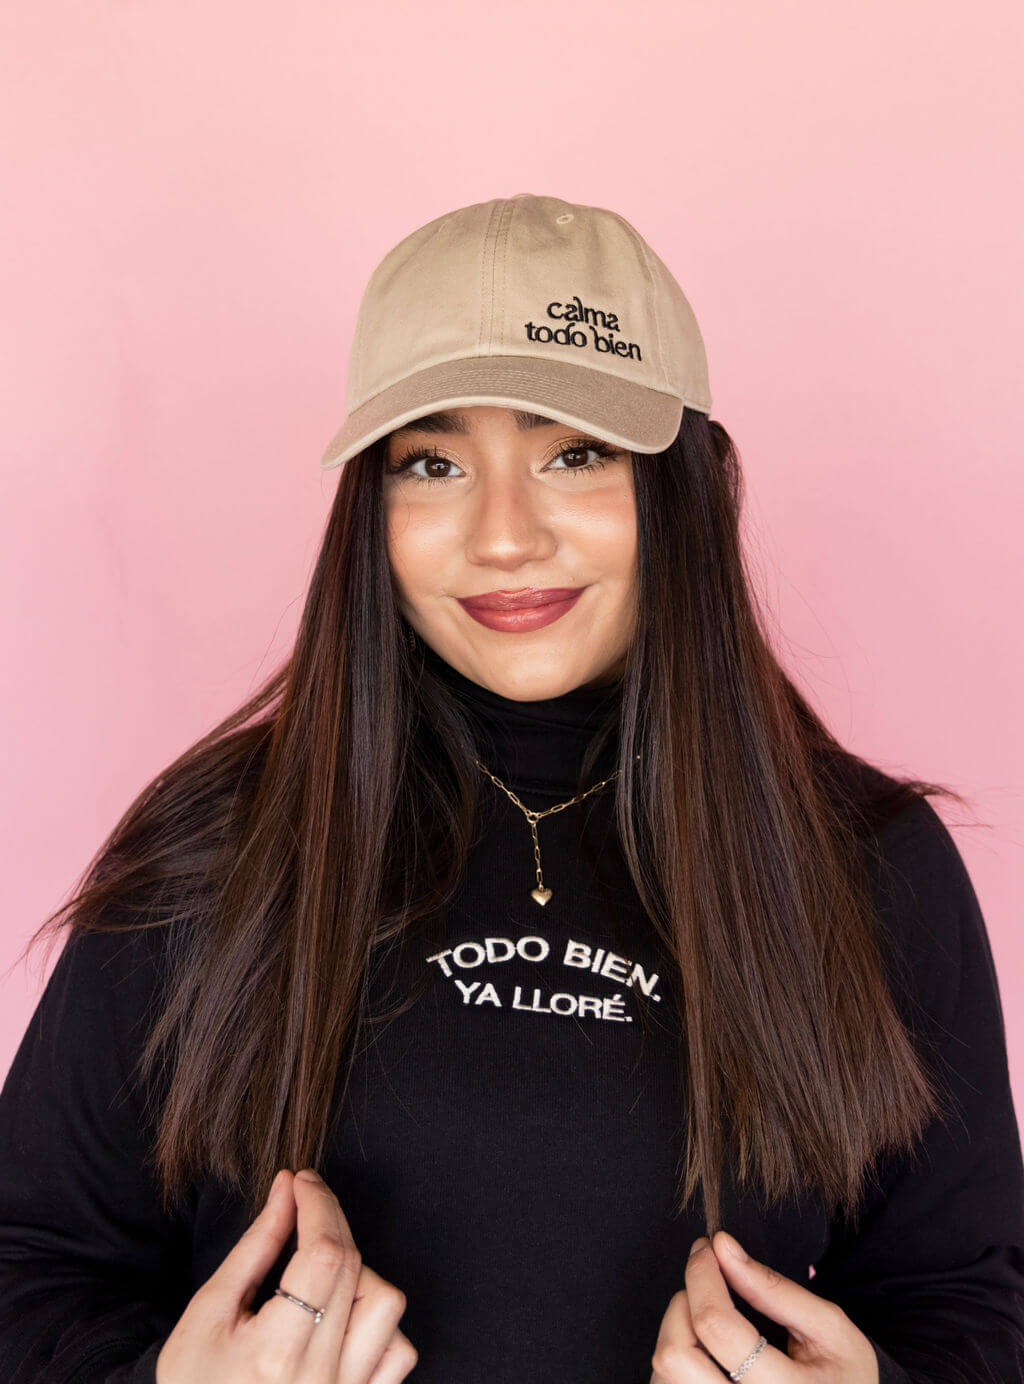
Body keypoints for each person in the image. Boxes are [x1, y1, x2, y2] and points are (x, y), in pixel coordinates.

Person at [0, 192, 1021, 1384]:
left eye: (574, 451)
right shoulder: (222, 841)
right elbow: (29, 1267)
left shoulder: (868, 863)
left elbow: (968, 1301)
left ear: (688, 482)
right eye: (430, 462)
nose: (500, 535)